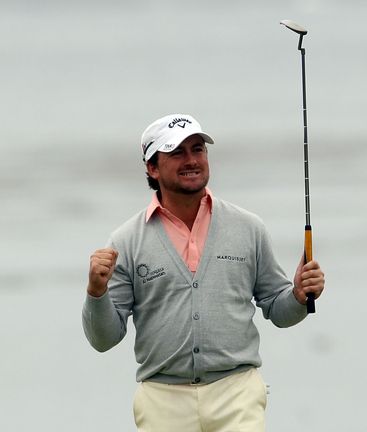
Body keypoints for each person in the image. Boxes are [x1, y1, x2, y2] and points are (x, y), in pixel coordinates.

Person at [82, 113, 325, 432]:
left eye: (198, 149)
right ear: (152, 167)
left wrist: (296, 295)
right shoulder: (126, 241)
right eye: (177, 152)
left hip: (236, 393)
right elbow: (104, 339)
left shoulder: (248, 227)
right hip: (162, 400)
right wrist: (96, 293)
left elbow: (279, 311)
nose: (191, 160)